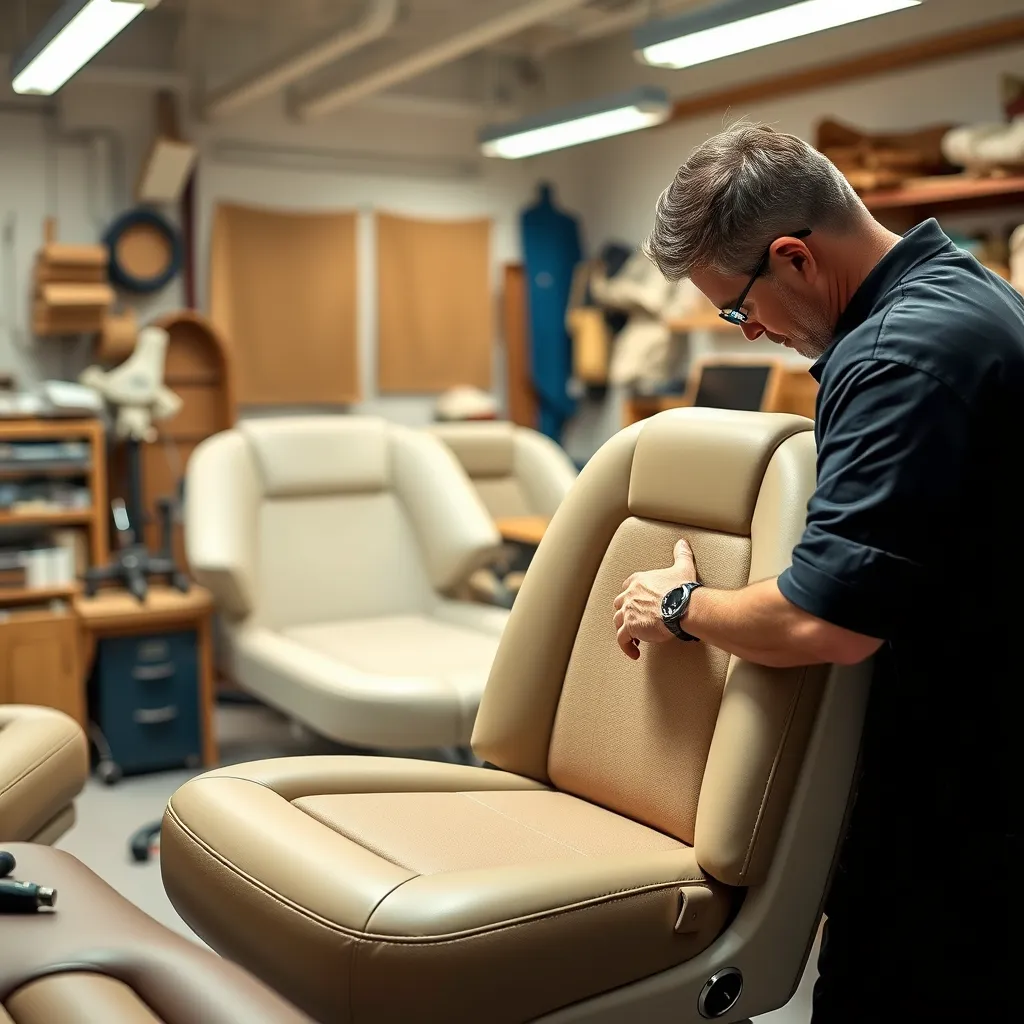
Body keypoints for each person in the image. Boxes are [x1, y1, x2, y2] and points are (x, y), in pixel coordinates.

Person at [613, 122, 1023, 1022]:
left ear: (793, 257)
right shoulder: (967, 293)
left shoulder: (897, 356)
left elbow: (825, 621)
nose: (753, 331)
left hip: (963, 800)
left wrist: (680, 603)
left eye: (738, 309)